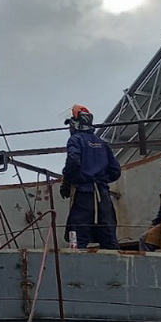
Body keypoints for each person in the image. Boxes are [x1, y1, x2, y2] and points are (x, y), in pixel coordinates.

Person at [60, 104, 121, 249]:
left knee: (78, 237)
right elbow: (115, 170)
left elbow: (73, 161)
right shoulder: (102, 143)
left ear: (75, 123)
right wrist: (102, 179)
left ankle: (76, 270)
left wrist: (68, 181)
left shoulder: (75, 140)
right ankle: (117, 269)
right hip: (103, 196)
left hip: (84, 195)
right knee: (109, 237)